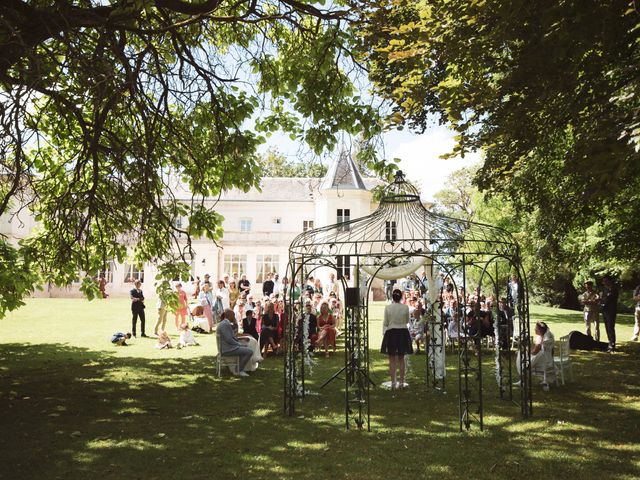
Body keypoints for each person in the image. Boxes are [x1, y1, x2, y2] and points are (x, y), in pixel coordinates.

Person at [382, 289, 413, 389]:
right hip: (402, 332)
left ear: (392, 297)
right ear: (401, 297)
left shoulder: (388, 307)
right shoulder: (405, 307)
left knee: (392, 359)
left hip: (391, 333)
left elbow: (386, 322)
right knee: (401, 358)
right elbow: (407, 320)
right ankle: (401, 382)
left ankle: (393, 382)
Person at [517, 322, 554, 388]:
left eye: (536, 328)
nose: (535, 329)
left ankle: (524, 380)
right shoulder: (542, 336)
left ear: (541, 330)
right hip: (546, 357)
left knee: (523, 359)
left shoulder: (545, 338)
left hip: (543, 359)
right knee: (523, 356)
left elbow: (535, 351)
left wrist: (528, 351)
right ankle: (523, 380)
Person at [217, 309, 253, 376]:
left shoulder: (225, 323)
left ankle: (239, 368)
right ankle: (239, 370)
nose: (234, 317)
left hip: (227, 347)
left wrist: (241, 340)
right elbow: (229, 339)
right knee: (249, 351)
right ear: (230, 316)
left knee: (247, 347)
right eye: (233, 315)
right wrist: (239, 344)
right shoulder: (225, 324)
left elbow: (232, 337)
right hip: (227, 349)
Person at [601, 275, 619, 352]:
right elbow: (603, 299)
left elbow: (610, 298)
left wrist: (604, 297)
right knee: (607, 327)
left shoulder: (614, 288)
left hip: (611, 310)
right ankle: (609, 342)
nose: (604, 282)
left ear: (609, 281)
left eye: (605, 281)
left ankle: (612, 344)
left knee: (610, 327)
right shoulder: (605, 289)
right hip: (605, 310)